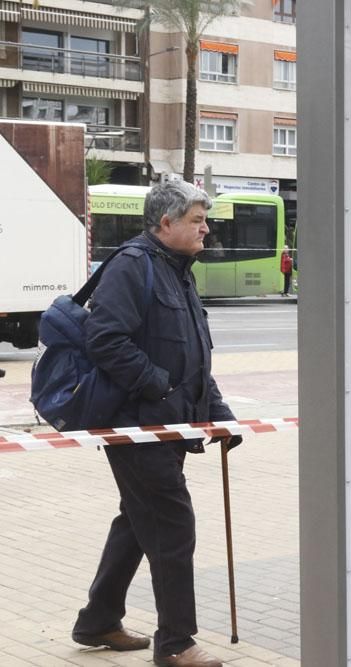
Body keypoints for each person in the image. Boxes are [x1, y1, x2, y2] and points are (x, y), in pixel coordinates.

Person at [71, 181, 242, 667]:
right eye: (196, 219)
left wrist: (221, 416)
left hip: (168, 428)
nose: (206, 227)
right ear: (165, 223)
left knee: (137, 522)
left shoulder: (178, 270)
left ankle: (97, 621)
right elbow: (105, 341)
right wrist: (159, 389)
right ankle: (176, 644)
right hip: (137, 427)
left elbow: (193, 357)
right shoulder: (133, 266)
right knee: (171, 524)